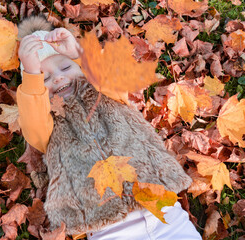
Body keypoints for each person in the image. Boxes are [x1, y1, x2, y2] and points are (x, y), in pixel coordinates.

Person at [16, 15, 201, 240]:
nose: (58, 78)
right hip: (107, 225)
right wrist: (31, 74)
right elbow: (32, 121)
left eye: (65, 66)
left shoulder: (108, 92)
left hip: (163, 208)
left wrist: (79, 53)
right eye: (45, 78)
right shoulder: (48, 122)